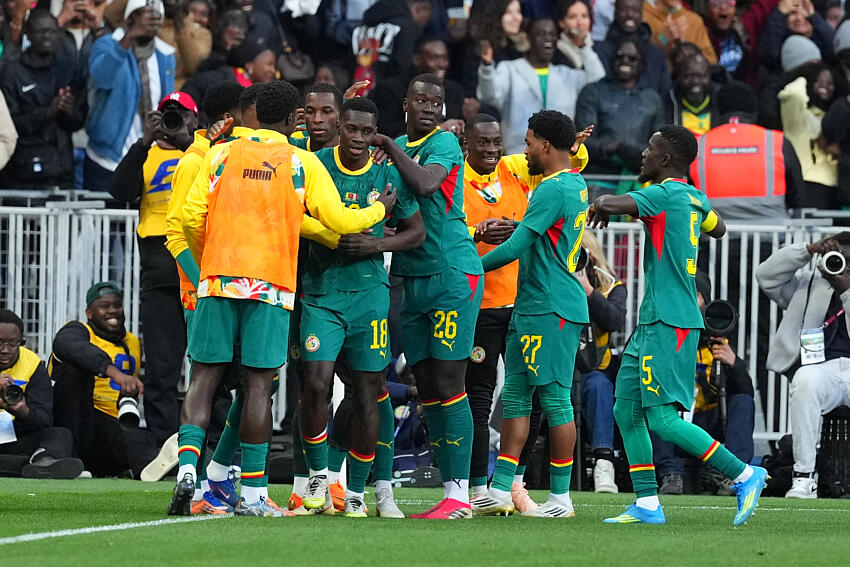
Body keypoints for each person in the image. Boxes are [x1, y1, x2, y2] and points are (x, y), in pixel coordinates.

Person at [172, 80, 396, 517]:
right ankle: (255, 495)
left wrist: (212, 258)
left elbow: (188, 217)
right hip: (271, 286)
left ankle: (187, 471)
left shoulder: (219, 154)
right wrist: (379, 211)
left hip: (218, 278)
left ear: (251, 115)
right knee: (258, 385)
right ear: (294, 118)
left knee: (203, 379)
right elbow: (336, 218)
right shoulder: (301, 162)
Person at [589, 124, 768, 526]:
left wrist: (599, 204)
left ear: (666, 159)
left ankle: (743, 473)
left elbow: (613, 203)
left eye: (650, 149)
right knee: (626, 409)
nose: (643, 155)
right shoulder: (691, 197)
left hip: (671, 320)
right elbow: (719, 228)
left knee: (663, 418)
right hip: (656, 317)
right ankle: (648, 504)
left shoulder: (662, 193)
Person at [298, 97, 425, 518]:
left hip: (370, 297)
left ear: (376, 134)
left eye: (366, 132)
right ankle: (318, 477)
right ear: (339, 128)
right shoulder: (316, 166)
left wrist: (376, 244)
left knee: (368, 392)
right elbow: (294, 218)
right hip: (321, 293)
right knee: (316, 385)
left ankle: (355, 491)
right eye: (350, 129)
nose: (357, 138)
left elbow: (416, 232)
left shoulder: (387, 173)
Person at [369, 73, 484, 519]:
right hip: (413, 275)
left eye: (436, 101)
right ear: (405, 104)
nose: (430, 107)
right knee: (428, 388)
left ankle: (460, 495)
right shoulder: (396, 144)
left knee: (451, 383)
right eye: (420, 99)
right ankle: (450, 488)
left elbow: (425, 185)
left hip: (452, 272)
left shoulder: (444, 145)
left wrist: (390, 147)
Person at [461, 113, 589, 512]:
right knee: (516, 398)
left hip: (553, 306)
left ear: (547, 146)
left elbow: (517, 245)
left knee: (555, 401)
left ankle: (561, 496)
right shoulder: (571, 184)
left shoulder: (553, 189)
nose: (525, 150)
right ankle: (499, 491)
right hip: (530, 305)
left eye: (530, 142)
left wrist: (468, 266)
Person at [108, 91, 197, 446]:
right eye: (166, 115)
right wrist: (143, 143)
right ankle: (165, 443)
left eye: (180, 115)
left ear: (194, 118)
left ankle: (214, 442)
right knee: (162, 365)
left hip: (197, 259)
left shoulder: (205, 150)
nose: (173, 121)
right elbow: (120, 190)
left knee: (212, 360)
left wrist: (188, 142)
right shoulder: (145, 153)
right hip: (159, 262)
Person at [756, 232, 850, 499]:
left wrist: (845, 290)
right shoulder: (811, 284)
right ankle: (804, 478)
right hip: (821, 368)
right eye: (840, 257)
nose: (844, 265)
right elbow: (765, 275)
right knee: (805, 379)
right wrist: (808, 250)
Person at [652, 273, 756, 495]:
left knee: (743, 403)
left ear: (706, 302)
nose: (690, 300)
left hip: (710, 418)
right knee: (653, 402)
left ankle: (735, 475)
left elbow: (745, 392)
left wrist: (734, 363)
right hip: (675, 418)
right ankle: (671, 474)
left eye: (696, 295)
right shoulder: (664, 330)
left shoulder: (721, 328)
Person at [50, 283, 162, 479]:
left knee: (138, 439)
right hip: (79, 419)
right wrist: (114, 373)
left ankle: (154, 468)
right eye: (104, 306)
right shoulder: (78, 331)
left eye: (117, 305)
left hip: (114, 423)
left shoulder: (133, 341)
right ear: (89, 312)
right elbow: (66, 345)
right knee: (74, 369)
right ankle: (70, 459)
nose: (113, 311)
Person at [477, 18, 605, 154]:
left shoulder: (568, 75)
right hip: (518, 154)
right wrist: (487, 67)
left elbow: (597, 80)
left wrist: (583, 47)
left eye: (551, 34)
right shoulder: (510, 69)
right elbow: (489, 96)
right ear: (529, 38)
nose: (547, 39)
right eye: (540, 34)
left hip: (558, 158)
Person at [84, 0, 175, 190]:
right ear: (130, 17)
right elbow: (102, 78)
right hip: (107, 158)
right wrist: (129, 37)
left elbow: (167, 104)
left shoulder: (165, 56)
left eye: (155, 16)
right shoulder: (107, 44)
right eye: (144, 14)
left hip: (149, 160)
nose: (150, 21)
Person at [690, 80, 802, 219]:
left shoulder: (697, 144)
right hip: (771, 235)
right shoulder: (776, 141)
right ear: (754, 111)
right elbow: (798, 196)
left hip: (713, 236)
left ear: (718, 111)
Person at [0, 11, 85, 189]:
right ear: (28, 34)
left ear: (60, 34)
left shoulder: (69, 69)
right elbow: (10, 126)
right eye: (40, 31)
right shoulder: (11, 73)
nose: (46, 36)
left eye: (51, 31)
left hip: (62, 171)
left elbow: (79, 121)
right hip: (22, 176)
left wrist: (68, 111)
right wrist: (48, 111)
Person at [0, 309, 83, 479]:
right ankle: (26, 466)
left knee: (61, 434)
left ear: (21, 342)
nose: (5, 350)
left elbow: (44, 420)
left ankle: (44, 462)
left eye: (12, 343)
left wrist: (22, 411)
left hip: (11, 433)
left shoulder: (33, 363)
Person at [576, 38, 664, 195]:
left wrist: (633, 154)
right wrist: (613, 148)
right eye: (620, 56)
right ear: (611, 60)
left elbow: (659, 144)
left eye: (632, 58)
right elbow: (582, 140)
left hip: (638, 184)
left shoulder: (652, 99)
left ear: (642, 65)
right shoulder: (592, 92)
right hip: (597, 180)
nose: (625, 61)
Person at [575, 231, 627, 494]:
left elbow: (614, 320)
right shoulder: (555, 280)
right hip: (560, 369)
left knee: (598, 385)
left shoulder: (611, 287)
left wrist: (588, 290)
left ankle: (604, 464)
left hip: (593, 370)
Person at [369, 36, 464, 139]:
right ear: (416, 59)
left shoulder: (454, 90)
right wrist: (438, 128)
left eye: (444, 58)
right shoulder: (390, 89)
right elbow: (386, 129)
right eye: (435, 58)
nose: (442, 64)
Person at [778, 61, 841, 208]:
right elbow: (793, 93)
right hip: (807, 184)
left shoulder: (835, 118)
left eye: (830, 83)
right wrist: (805, 73)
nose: (824, 86)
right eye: (818, 81)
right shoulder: (798, 117)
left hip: (834, 188)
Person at [594, 0, 671, 96]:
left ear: (642, 14)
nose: (629, 14)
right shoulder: (599, 50)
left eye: (635, 10)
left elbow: (664, 92)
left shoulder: (655, 54)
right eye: (624, 9)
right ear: (615, 13)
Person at [460, 0, 527, 107]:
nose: (516, 18)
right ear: (496, 16)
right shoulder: (481, 48)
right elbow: (472, 92)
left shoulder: (514, 48)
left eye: (518, 12)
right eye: (508, 13)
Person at [351, 0, 433, 87]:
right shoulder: (409, 28)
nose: (424, 25)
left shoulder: (363, 26)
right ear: (420, 9)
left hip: (358, 87)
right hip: (390, 91)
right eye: (426, 20)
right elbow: (404, 63)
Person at [703, 0, 781, 84]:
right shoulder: (700, 32)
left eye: (729, 3)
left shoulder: (744, 27)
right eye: (716, 4)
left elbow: (764, 7)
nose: (723, 8)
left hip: (745, 89)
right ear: (707, 9)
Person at [642, 0, 717, 63]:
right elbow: (637, 59)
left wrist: (684, 46)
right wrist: (663, 39)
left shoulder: (694, 21)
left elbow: (712, 62)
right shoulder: (642, 16)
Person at [665, 50, 720, 135]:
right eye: (688, 76)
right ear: (679, 76)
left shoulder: (721, 99)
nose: (695, 81)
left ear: (709, 76)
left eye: (700, 76)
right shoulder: (668, 101)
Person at [554, 0, 595, 69]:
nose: (580, 22)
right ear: (561, 23)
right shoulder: (554, 54)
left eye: (584, 16)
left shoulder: (601, 48)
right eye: (572, 17)